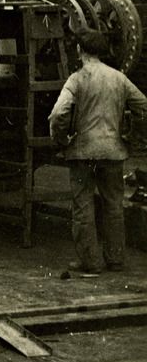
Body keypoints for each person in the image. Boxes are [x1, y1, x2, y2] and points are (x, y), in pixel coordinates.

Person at [49, 27, 147, 276]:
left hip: (82, 153)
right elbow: (143, 106)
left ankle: (91, 262)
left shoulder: (77, 79)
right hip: (113, 151)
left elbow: (59, 113)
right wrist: (131, 137)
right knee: (114, 204)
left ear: (80, 50)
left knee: (83, 205)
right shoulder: (119, 78)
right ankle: (115, 259)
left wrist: (61, 139)